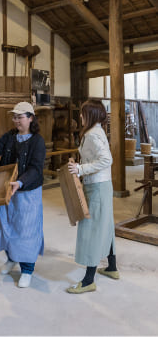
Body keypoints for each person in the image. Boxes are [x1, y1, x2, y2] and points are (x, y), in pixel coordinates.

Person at [0, 101, 45, 288]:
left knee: (26, 230)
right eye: (14, 117)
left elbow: (36, 168)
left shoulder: (37, 141)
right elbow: (0, 144)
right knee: (7, 226)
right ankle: (12, 258)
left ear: (30, 118)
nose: (16, 120)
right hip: (7, 189)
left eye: (20, 117)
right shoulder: (11, 136)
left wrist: (20, 182)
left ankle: (27, 269)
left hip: (27, 191)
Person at [66, 99, 118, 294]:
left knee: (91, 229)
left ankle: (88, 280)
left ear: (91, 115)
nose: (80, 116)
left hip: (97, 186)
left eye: (83, 112)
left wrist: (80, 169)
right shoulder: (97, 130)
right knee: (106, 225)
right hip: (103, 185)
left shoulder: (92, 134)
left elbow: (107, 159)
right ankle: (112, 267)